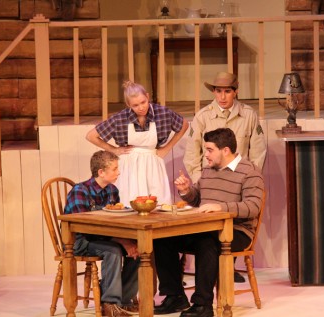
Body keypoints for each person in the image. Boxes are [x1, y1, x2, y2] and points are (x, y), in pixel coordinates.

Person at [154, 128, 265, 317]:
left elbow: (252, 206)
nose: (206, 155)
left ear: (226, 150)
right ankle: (175, 296)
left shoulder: (249, 172)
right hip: (205, 227)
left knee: (206, 241)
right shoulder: (208, 171)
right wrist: (186, 190)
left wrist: (221, 208)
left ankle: (202, 305)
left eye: (209, 150)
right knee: (161, 238)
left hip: (236, 231)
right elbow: (198, 199)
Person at [183, 71, 267, 283]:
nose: (222, 96)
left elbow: (257, 150)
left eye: (227, 91)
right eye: (218, 91)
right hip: (210, 183)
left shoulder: (248, 115)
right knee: (206, 231)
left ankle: (227, 267)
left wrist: (247, 177)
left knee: (231, 225)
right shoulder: (203, 116)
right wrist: (199, 182)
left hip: (238, 182)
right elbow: (192, 153)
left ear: (235, 92)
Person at [86, 80, 189, 206]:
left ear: (147, 96)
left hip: (153, 162)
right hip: (129, 165)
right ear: (128, 104)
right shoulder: (120, 118)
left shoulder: (162, 113)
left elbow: (184, 124)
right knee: (129, 200)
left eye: (143, 102)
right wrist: (114, 150)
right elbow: (91, 136)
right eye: (135, 105)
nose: (141, 107)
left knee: (157, 201)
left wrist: (167, 148)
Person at [64, 150, 139, 317]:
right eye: (114, 169)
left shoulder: (112, 190)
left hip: (104, 237)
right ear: (101, 172)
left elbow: (115, 221)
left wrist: (128, 241)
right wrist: (121, 241)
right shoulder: (80, 191)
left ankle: (124, 300)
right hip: (78, 241)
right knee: (113, 251)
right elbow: (84, 228)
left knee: (140, 249)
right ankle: (110, 304)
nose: (118, 172)